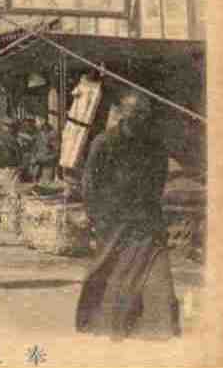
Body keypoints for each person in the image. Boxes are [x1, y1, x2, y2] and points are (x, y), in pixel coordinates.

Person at [75, 91, 180, 340]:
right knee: (112, 275)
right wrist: (95, 215)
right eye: (135, 113)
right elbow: (90, 182)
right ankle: (108, 326)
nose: (141, 119)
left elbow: (159, 179)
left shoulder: (155, 146)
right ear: (123, 114)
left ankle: (160, 330)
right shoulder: (105, 142)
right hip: (114, 222)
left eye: (145, 114)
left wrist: (150, 206)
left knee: (158, 275)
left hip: (147, 221)